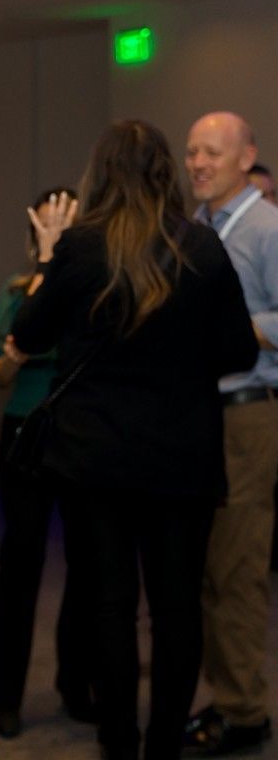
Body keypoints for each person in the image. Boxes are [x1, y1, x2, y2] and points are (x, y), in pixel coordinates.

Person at [10, 119, 257, 760]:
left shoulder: (81, 248)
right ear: (166, 172)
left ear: (102, 174)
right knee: (177, 610)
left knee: (108, 607)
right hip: (182, 460)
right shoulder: (200, 247)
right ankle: (164, 747)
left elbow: (30, 335)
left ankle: (117, 743)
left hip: (95, 462)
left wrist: (46, 257)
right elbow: (235, 350)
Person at [0, 188, 95, 738]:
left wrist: (27, 345)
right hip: (25, 435)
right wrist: (17, 353)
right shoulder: (14, 290)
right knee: (20, 565)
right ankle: (5, 698)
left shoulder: (92, 290)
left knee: (88, 567)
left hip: (80, 436)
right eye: (46, 228)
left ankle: (77, 684)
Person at [182, 112, 278, 756]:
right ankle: (223, 696)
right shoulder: (199, 228)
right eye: (191, 152)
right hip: (198, 417)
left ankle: (245, 712)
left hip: (247, 412)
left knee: (238, 568)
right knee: (209, 570)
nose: (198, 163)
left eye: (212, 152)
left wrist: (239, 328)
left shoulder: (268, 227)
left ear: (247, 157)